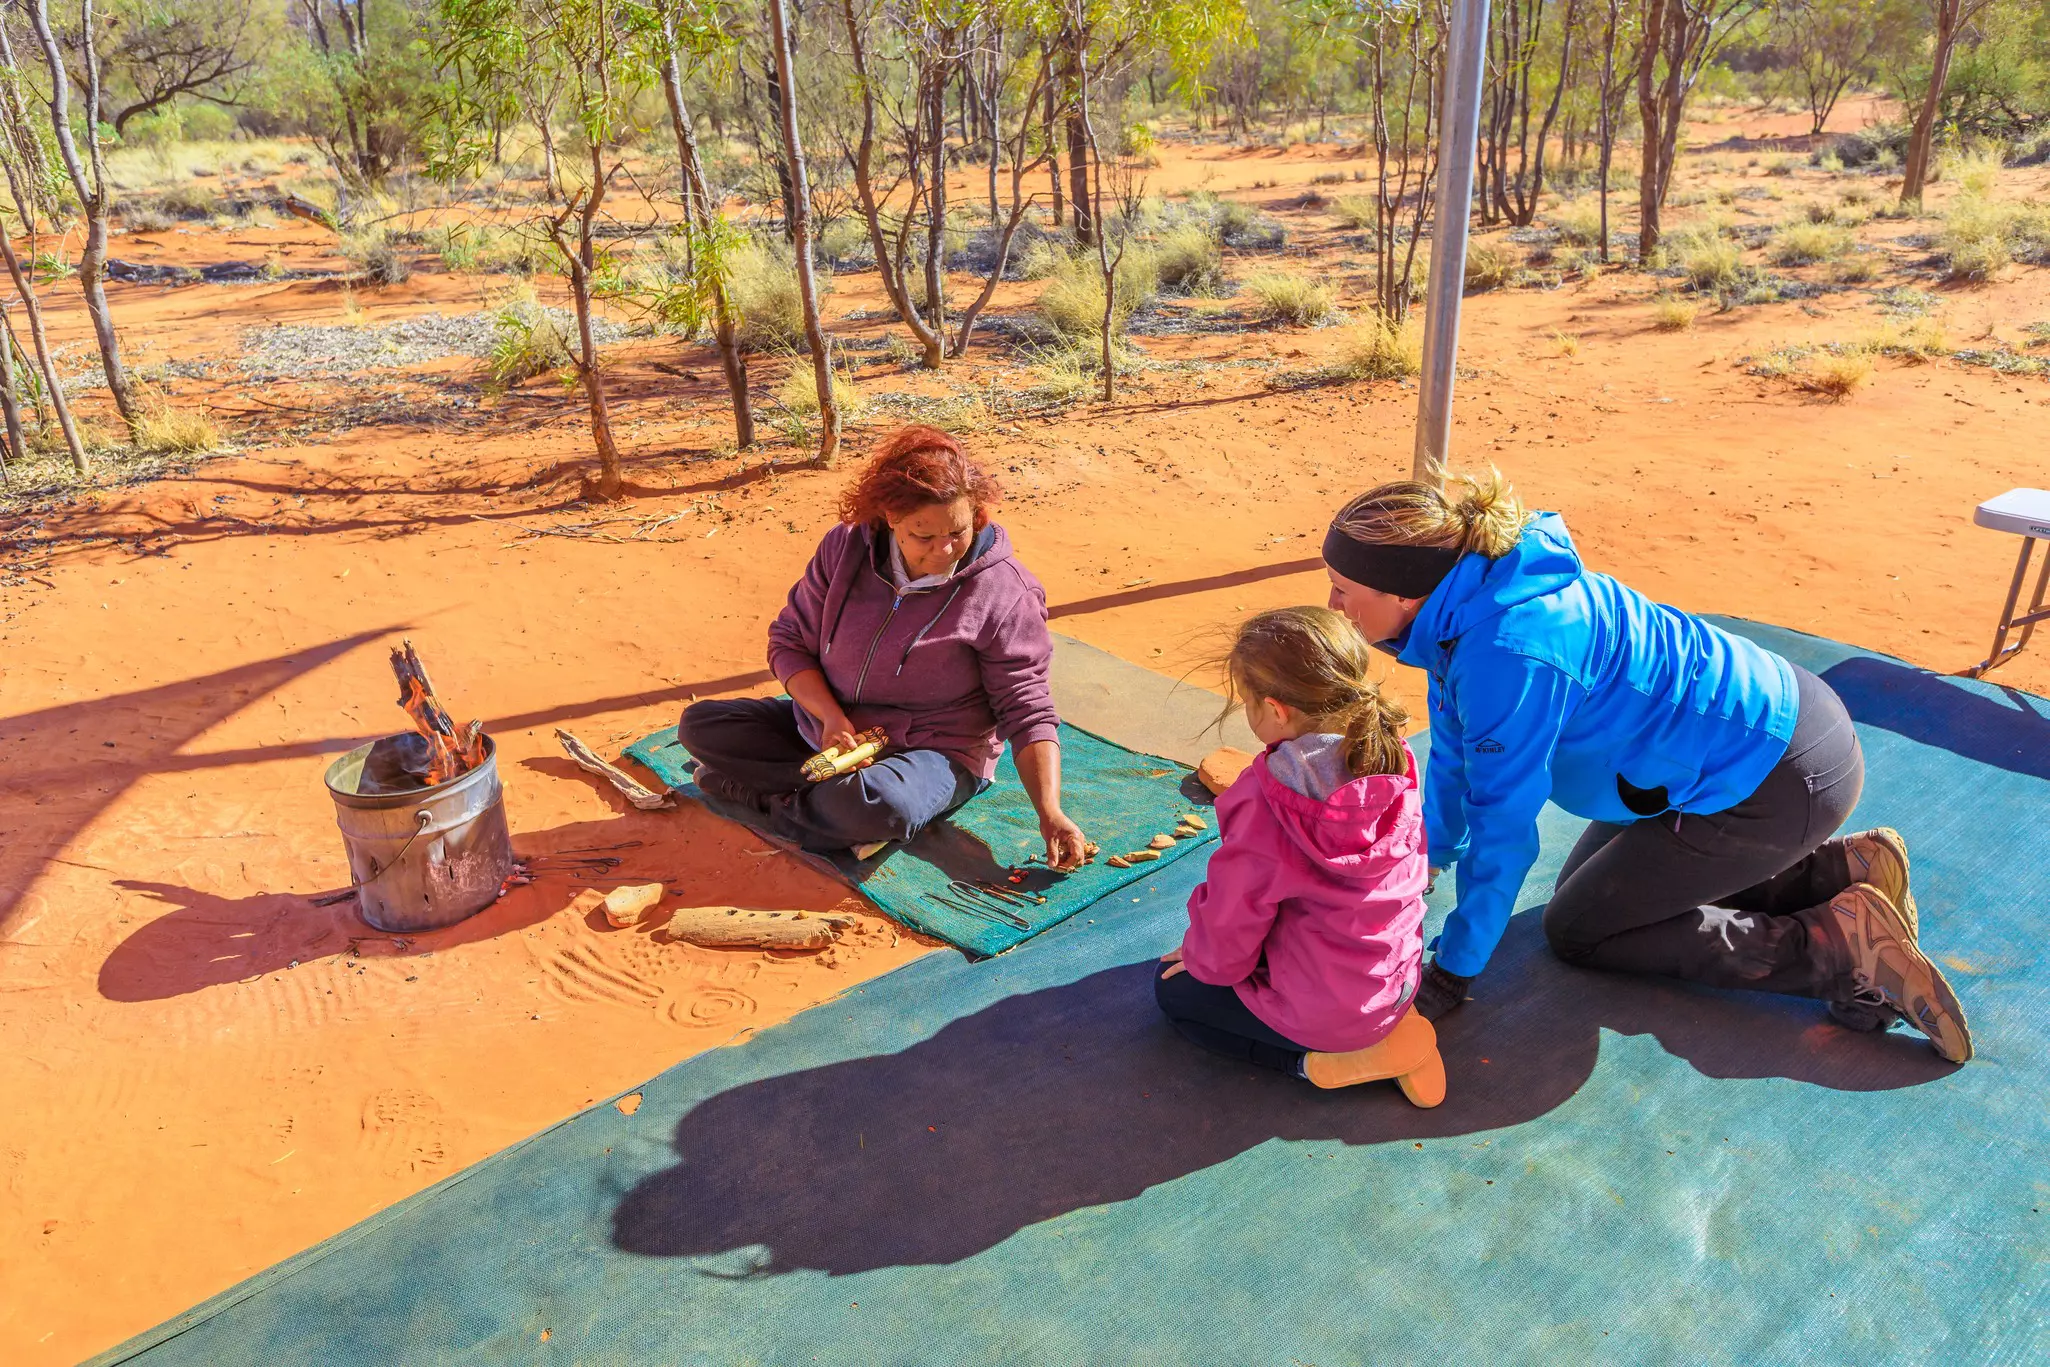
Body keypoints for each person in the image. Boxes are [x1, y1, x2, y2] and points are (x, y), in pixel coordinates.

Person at [1319, 472, 1972, 1063]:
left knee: (1581, 931)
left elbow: (1504, 826)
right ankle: (1838, 870)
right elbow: (1458, 754)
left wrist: (1454, 968)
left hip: (1776, 780)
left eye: (1345, 590)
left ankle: (1839, 948)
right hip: (1759, 733)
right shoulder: (1476, 594)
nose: (1333, 606)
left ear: (1404, 594)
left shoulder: (1508, 652)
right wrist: (1429, 850)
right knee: (1591, 889)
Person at [678, 425, 1089, 868]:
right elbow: (789, 641)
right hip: (831, 733)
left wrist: (1049, 811)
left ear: (978, 514)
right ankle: (819, 805)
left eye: (958, 531)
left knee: (882, 803)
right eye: (924, 536)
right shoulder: (844, 548)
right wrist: (830, 717)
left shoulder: (1007, 592)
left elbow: (1027, 706)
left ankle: (754, 796)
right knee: (702, 725)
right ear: (891, 517)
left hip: (934, 751)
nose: (945, 550)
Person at [1156, 607, 1445, 1103]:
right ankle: (1391, 1027)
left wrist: (1202, 958)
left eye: (1246, 704)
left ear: (1277, 709)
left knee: (1176, 994)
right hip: (1394, 983)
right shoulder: (1394, 759)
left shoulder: (1266, 799)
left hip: (1330, 1014)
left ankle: (1315, 1063)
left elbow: (1232, 921)